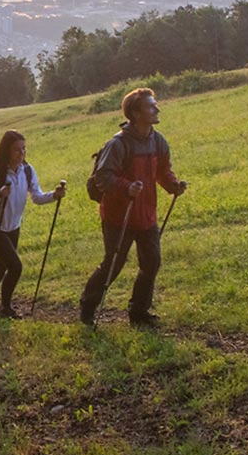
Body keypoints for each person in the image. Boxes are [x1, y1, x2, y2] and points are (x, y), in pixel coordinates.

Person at [79, 88, 188, 328]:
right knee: (113, 265)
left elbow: (163, 170)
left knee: (152, 263)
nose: (157, 109)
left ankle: (139, 312)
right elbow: (103, 176)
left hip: (146, 214)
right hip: (120, 216)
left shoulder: (157, 140)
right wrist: (126, 187)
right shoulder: (118, 144)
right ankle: (87, 307)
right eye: (151, 106)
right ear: (136, 113)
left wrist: (173, 185)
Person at [0, 128, 65, 318]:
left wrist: (54, 196)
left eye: (24, 149)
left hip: (13, 227)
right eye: (17, 149)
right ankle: (6, 308)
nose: (22, 153)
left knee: (1, 266)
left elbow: (37, 197)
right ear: (7, 150)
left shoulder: (27, 170)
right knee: (15, 266)